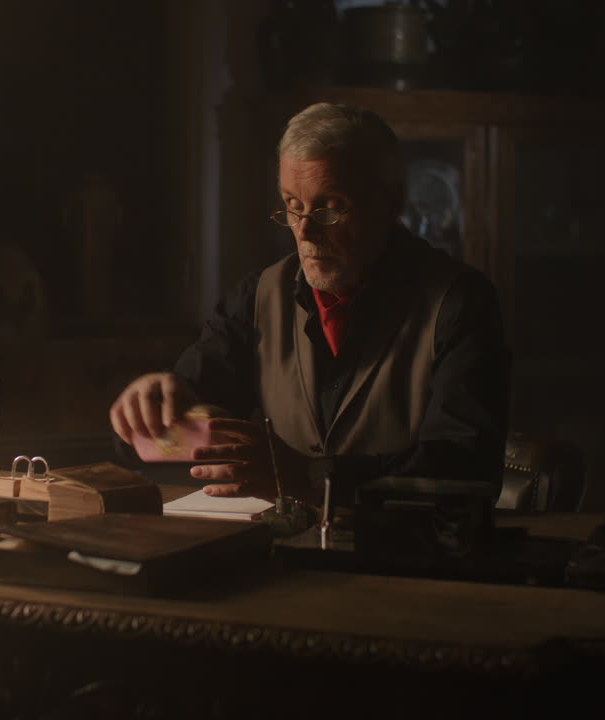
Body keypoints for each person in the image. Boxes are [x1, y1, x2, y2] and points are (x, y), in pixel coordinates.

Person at [109, 102, 510, 505]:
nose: (305, 233)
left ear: (390, 204)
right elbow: (180, 429)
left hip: (407, 556)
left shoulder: (458, 302)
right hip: (283, 555)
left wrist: (312, 479)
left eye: (329, 208)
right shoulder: (256, 296)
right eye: (293, 206)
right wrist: (151, 411)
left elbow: (466, 467)